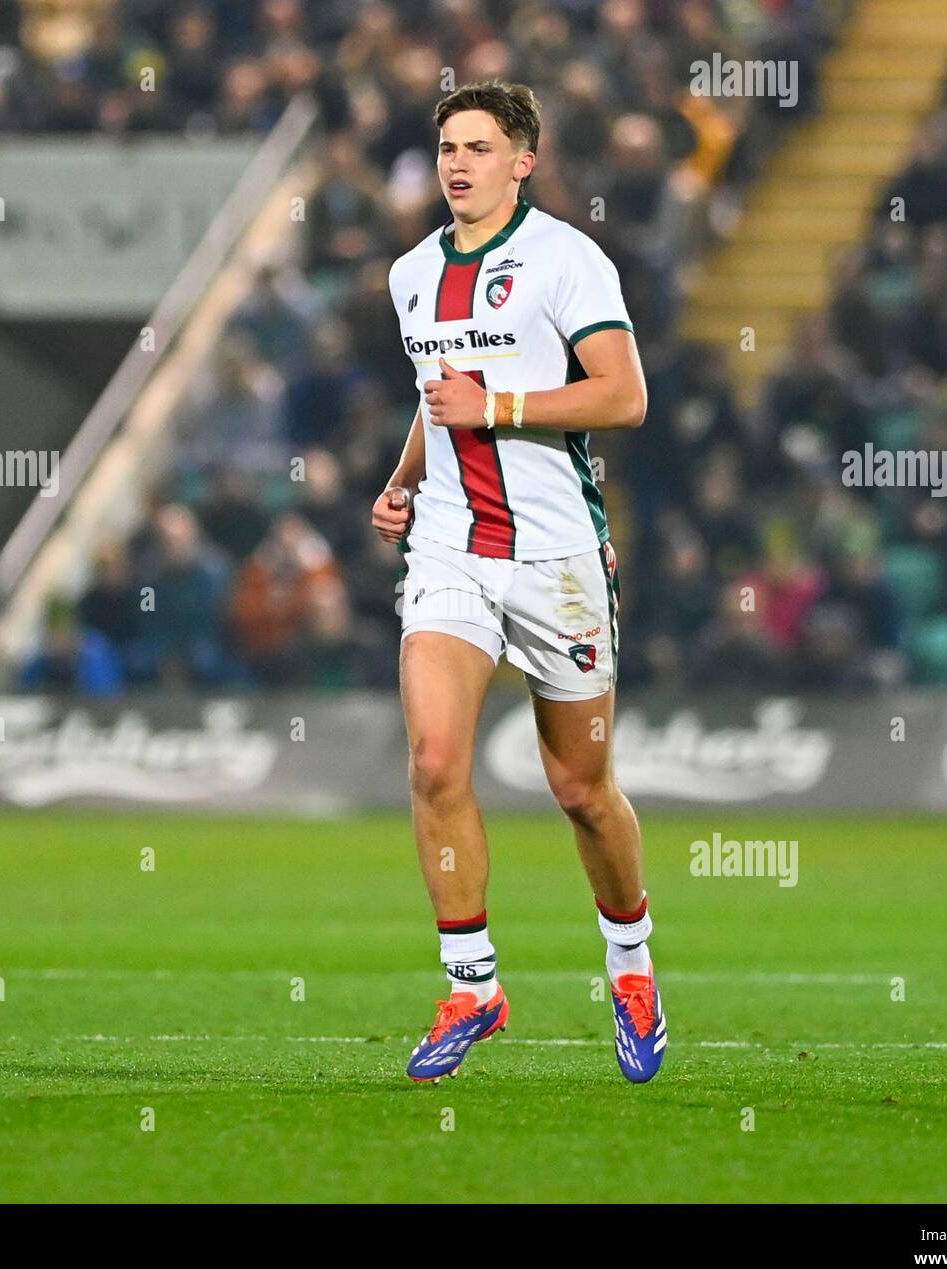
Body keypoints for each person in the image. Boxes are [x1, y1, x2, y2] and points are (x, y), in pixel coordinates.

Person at [370, 79, 664, 1085]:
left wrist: (492, 402)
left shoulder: (567, 261)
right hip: (451, 548)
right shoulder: (411, 274)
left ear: (522, 162)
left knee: (580, 788)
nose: (459, 163)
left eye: (480, 147)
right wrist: (404, 481)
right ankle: (472, 986)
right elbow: (434, 399)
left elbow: (622, 397)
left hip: (554, 557)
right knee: (435, 759)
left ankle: (629, 965)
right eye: (449, 145)